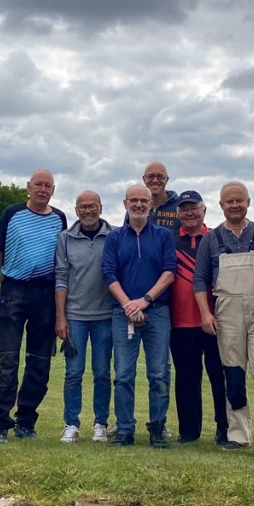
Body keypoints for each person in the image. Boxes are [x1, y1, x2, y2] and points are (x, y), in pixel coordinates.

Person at [193, 181, 254, 454]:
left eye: (239, 200)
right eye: (229, 201)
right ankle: (238, 435)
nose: (234, 205)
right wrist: (205, 313)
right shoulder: (211, 239)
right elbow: (200, 279)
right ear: (221, 205)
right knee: (232, 373)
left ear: (248, 202)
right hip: (226, 310)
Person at [0, 168, 68, 443]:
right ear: (28, 187)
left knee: (39, 363)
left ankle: (26, 420)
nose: (42, 189)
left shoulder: (59, 219)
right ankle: (0, 423)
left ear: (53, 190)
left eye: (48, 185)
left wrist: (61, 311)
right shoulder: (12, 213)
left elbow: (62, 264)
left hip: (45, 294)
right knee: (8, 360)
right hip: (14, 290)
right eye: (38, 184)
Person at [101, 183, 176, 448]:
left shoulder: (164, 235)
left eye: (143, 200)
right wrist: (128, 306)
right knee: (123, 374)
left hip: (157, 312)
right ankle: (124, 430)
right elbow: (109, 274)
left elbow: (169, 272)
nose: (139, 205)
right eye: (133, 200)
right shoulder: (114, 238)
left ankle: (157, 427)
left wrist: (144, 301)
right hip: (123, 314)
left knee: (159, 374)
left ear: (150, 204)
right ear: (125, 204)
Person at [55, 190, 114, 444]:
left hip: (106, 315)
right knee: (74, 372)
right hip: (75, 315)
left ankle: (100, 423)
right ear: (76, 210)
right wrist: (61, 317)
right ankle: (71, 423)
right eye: (82, 207)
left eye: (92, 206)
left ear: (100, 207)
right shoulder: (65, 238)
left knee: (102, 372)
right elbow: (61, 277)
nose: (88, 211)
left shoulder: (114, 236)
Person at [170, 191, 227, 444]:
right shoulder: (169, 240)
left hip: (215, 320)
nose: (189, 213)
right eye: (185, 209)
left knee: (220, 377)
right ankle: (189, 431)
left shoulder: (217, 237)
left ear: (204, 211)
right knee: (186, 379)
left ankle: (225, 429)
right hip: (180, 322)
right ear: (178, 213)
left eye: (194, 208)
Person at [143, 160, 182, 233]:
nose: (155, 180)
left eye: (160, 176)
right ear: (144, 179)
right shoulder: (135, 207)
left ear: (167, 180)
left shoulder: (180, 206)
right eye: (150, 176)